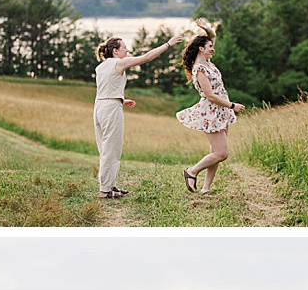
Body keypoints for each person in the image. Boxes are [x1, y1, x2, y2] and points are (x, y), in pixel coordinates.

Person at [92, 34, 181, 199]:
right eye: (124, 47)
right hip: (111, 109)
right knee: (112, 149)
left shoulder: (101, 67)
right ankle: (105, 191)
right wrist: (168, 44)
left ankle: (110, 186)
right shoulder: (119, 62)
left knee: (105, 149)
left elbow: (106, 88)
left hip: (99, 107)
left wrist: (122, 99)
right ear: (115, 51)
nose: (127, 50)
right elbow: (147, 57)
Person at [175, 20, 245, 195]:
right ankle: (191, 171)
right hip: (211, 112)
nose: (213, 49)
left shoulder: (208, 63)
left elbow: (212, 36)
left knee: (215, 152)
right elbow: (210, 95)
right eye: (209, 47)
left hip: (221, 111)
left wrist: (206, 28)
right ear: (201, 48)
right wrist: (232, 105)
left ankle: (206, 188)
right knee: (222, 153)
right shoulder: (200, 69)